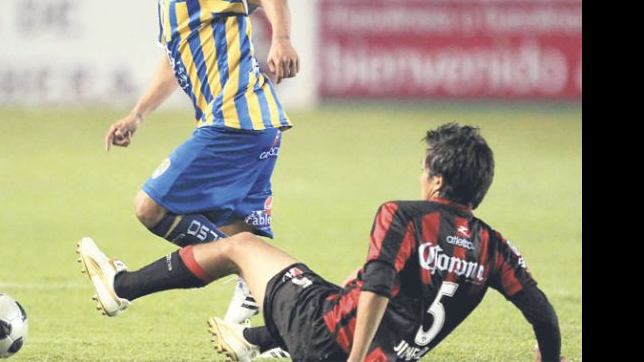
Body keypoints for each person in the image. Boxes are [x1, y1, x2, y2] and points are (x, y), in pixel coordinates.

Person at [78, 123, 564, 361]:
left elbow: (375, 287)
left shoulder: (405, 215)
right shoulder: (492, 247)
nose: (420, 175)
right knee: (344, 283)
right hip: (379, 350)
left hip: (329, 339)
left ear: (436, 182)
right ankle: (254, 340)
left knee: (241, 246)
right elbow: (541, 312)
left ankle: (122, 287)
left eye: (424, 168)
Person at [102, 0, 299, 326]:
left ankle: (245, 272)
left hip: (236, 121)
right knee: (243, 237)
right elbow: (175, 65)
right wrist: (137, 114)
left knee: (151, 208)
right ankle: (271, 328)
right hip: (253, 127)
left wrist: (282, 38)